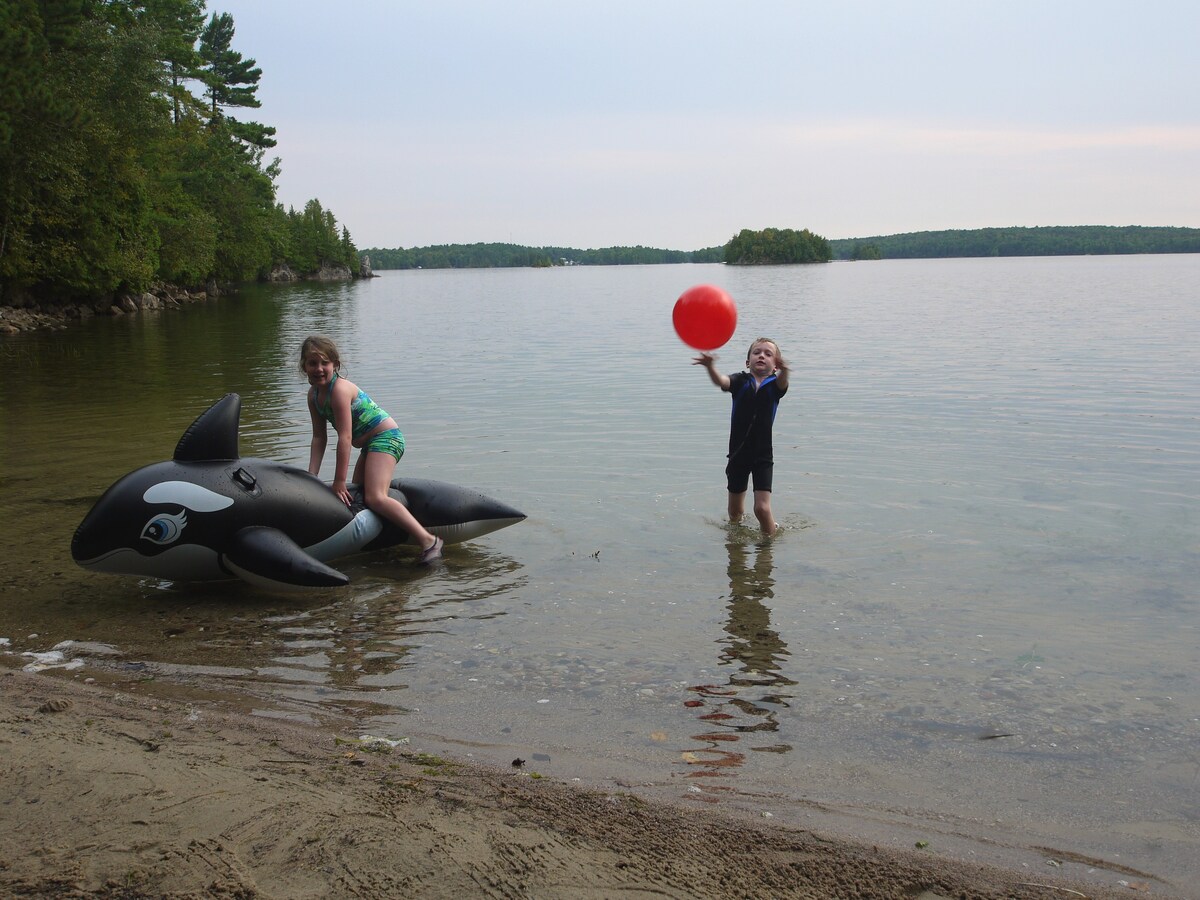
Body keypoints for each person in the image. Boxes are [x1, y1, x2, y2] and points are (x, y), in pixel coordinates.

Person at [299, 335, 443, 564]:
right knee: (359, 496)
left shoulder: (340, 391)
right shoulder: (313, 396)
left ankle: (428, 541)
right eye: (312, 363)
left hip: (387, 438)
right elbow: (319, 437)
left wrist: (338, 481)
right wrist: (311, 476)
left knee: (375, 497)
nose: (319, 369)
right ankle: (382, 541)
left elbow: (345, 438)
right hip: (369, 444)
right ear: (304, 366)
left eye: (324, 362)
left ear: (335, 365)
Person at [694, 337, 789, 535]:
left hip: (763, 456)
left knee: (761, 509)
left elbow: (783, 382)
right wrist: (710, 367)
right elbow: (722, 381)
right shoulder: (740, 381)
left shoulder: (775, 386)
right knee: (735, 512)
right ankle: (736, 548)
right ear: (748, 362)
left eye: (768, 354)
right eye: (756, 353)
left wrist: (786, 370)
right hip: (737, 454)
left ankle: (767, 549)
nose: (761, 355)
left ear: (775, 366)